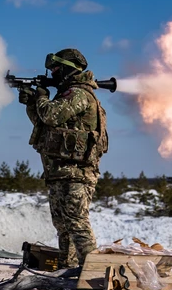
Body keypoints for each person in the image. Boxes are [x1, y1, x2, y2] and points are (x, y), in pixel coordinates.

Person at [18, 48, 108, 268]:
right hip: (61, 172)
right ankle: (69, 268)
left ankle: (93, 274)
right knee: (63, 224)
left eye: (56, 69)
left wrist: (40, 96)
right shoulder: (66, 95)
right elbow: (44, 125)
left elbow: (50, 114)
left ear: (68, 69)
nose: (52, 73)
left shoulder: (78, 94)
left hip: (76, 173)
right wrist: (32, 103)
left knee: (77, 222)